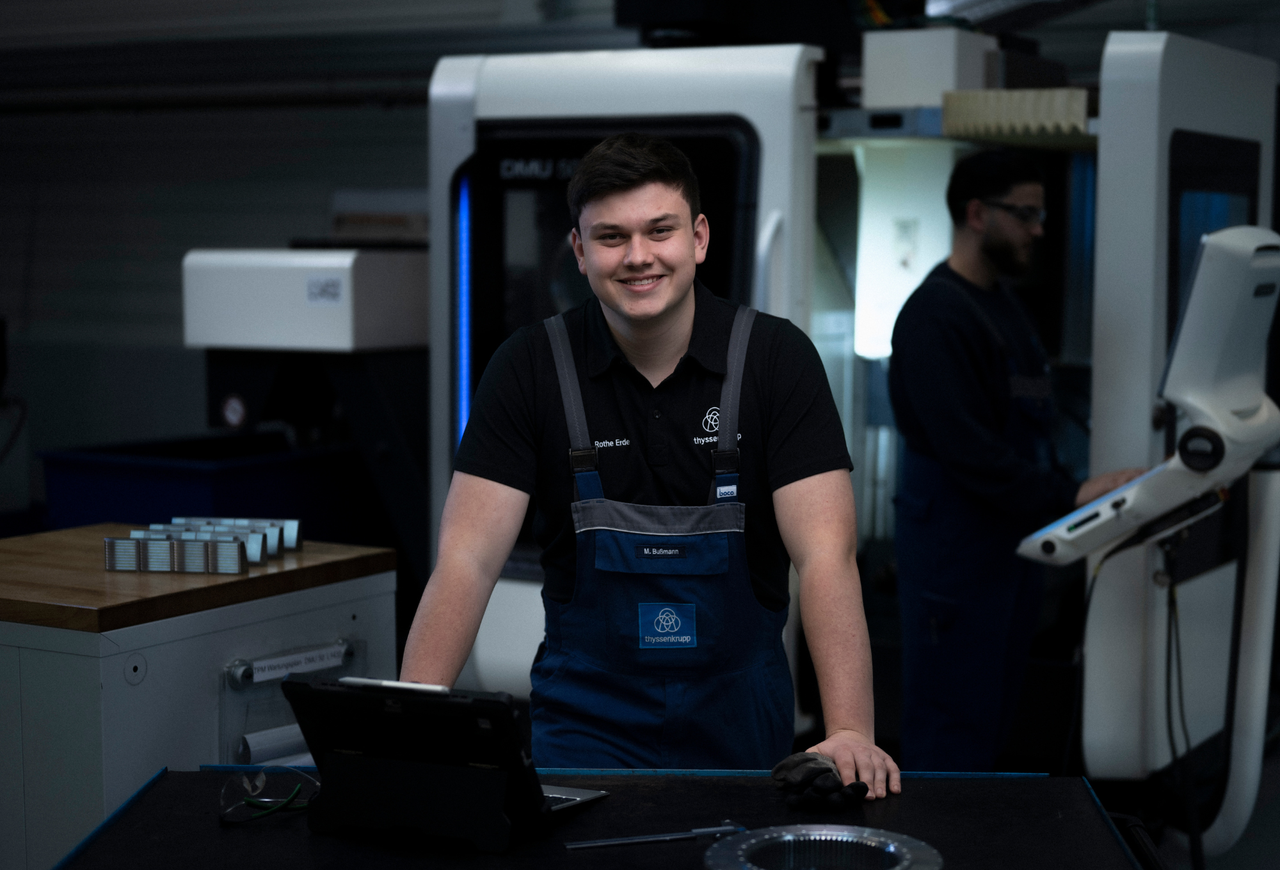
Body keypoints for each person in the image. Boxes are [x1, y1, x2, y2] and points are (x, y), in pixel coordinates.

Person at [401, 133, 900, 798]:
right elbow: (467, 559)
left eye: (658, 230)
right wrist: (410, 724)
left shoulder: (777, 360)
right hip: (583, 727)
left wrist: (850, 731)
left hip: (740, 723)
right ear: (579, 251)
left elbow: (827, 556)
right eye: (611, 236)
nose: (638, 256)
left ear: (698, 238)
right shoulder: (529, 367)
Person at [888, 149, 1141, 772]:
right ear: (977, 213)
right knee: (950, 733)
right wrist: (1070, 493)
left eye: (1041, 213)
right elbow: (970, 453)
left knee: (994, 722)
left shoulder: (1005, 307)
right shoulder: (933, 317)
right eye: (1025, 214)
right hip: (955, 561)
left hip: (1007, 556)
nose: (1038, 229)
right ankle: (939, 859)